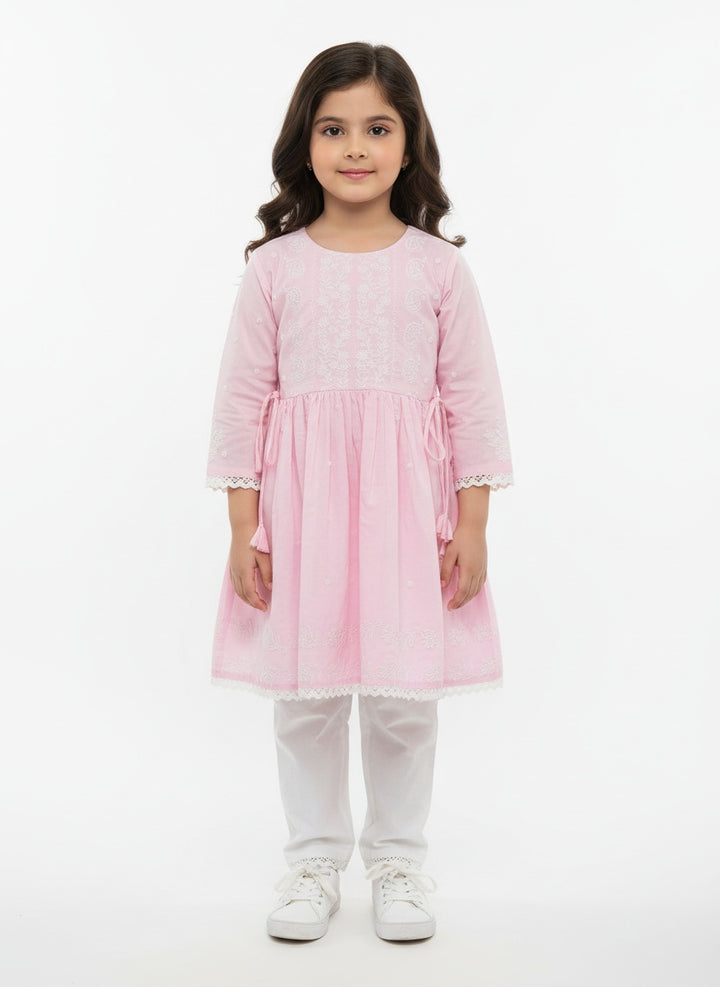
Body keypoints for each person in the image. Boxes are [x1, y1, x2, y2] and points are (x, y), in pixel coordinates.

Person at [205, 41, 514, 943]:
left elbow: (473, 402)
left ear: (409, 141)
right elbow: (240, 401)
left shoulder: (438, 268)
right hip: (300, 517)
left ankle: (398, 861)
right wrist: (243, 527)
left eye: (377, 128)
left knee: (403, 697)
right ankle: (312, 860)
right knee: (305, 696)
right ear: (304, 142)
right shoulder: (274, 268)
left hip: (406, 518)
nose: (354, 148)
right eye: (333, 128)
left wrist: (472, 524)